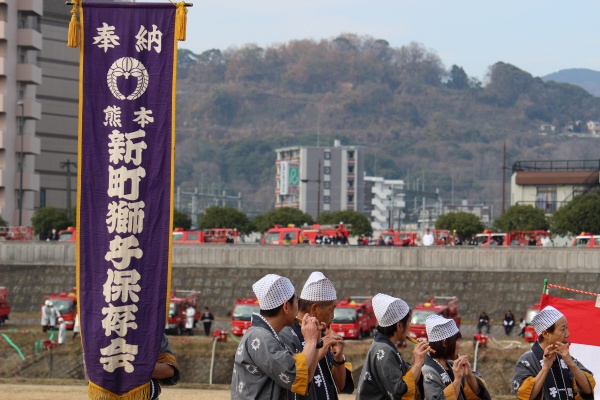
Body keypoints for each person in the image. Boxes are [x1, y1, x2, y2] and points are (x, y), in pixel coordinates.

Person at [231, 273, 321, 399]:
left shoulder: (269, 336)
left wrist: (316, 342)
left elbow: (304, 379)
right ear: (286, 306)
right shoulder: (260, 337)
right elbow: (294, 373)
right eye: (296, 300)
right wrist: (310, 341)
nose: (298, 308)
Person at [279, 271, 354, 399]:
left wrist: (338, 358)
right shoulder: (287, 335)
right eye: (331, 310)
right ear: (314, 309)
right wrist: (319, 349)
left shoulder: (323, 334)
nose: (333, 316)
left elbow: (339, 386)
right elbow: (293, 376)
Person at [356, 293, 429, 399]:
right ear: (399, 325)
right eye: (409, 321)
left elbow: (407, 378)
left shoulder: (384, 346)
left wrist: (419, 360)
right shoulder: (384, 350)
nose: (410, 326)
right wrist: (417, 363)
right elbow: (399, 390)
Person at [512, 306, 594, 400]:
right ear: (545, 334)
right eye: (563, 329)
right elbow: (525, 396)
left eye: (567, 328)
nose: (568, 334)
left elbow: (588, 390)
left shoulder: (566, 357)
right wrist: (545, 368)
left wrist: (571, 364)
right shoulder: (527, 361)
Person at [422, 314, 491, 400]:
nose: (460, 346)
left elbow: (480, 394)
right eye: (458, 341)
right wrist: (457, 380)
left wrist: (469, 375)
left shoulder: (452, 365)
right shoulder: (427, 372)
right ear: (444, 343)